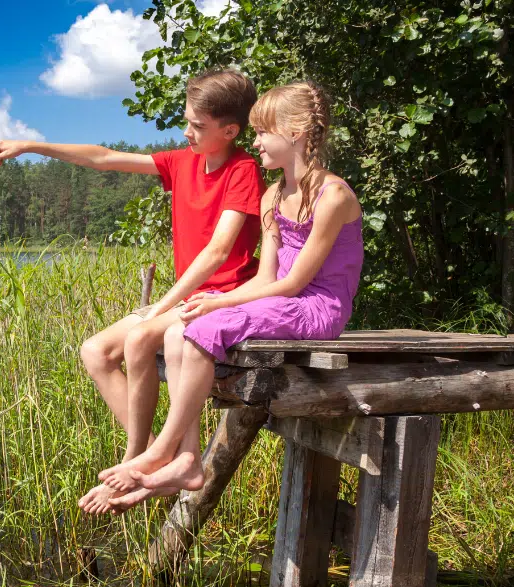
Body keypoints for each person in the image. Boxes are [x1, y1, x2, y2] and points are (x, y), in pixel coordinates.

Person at [0, 67, 265, 514]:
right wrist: (30, 145)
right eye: (186, 120)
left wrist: (160, 307)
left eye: (198, 126)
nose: (187, 132)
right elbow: (104, 157)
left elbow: (217, 252)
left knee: (141, 336)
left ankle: (142, 461)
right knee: (94, 351)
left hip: (219, 296)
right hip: (184, 298)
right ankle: (153, 456)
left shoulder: (243, 169)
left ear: (230, 130)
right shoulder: (183, 161)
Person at [99, 81, 365, 512]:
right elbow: (265, 278)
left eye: (263, 132)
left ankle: (161, 452)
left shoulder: (332, 195)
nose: (255, 142)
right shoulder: (275, 195)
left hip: (318, 308)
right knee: (181, 328)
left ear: (295, 131)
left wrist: (222, 302)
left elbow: (296, 284)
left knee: (209, 323)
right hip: (281, 300)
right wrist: (208, 302)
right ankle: (186, 460)